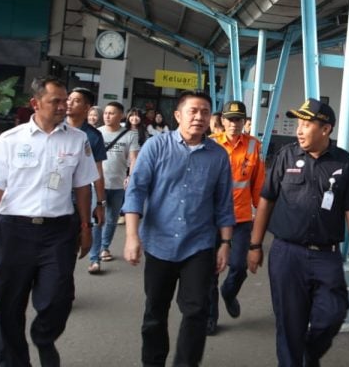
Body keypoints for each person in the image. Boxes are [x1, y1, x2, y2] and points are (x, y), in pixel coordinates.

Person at [0, 76, 98, 367]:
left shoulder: (78, 140)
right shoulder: (10, 141)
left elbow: (83, 187)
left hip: (59, 231)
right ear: (35, 104)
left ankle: (44, 337)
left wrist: (86, 228)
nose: (64, 106)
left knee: (58, 298)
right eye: (56, 101)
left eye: (66, 101)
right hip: (15, 231)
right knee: (9, 306)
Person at [247, 98, 349, 367]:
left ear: (326, 129)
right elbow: (266, 200)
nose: (299, 130)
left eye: (306, 124)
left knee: (334, 313)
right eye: (298, 124)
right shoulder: (286, 156)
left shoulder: (345, 163)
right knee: (290, 324)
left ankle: (308, 355)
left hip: (326, 256)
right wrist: (255, 245)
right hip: (287, 253)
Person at [122, 90, 234, 367]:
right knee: (155, 312)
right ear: (177, 115)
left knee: (197, 311)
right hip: (159, 244)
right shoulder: (156, 147)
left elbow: (223, 203)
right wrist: (131, 236)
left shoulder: (218, 156)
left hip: (199, 245)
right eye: (193, 111)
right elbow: (136, 191)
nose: (199, 117)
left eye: (205, 112)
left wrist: (225, 244)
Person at [206, 100, 265, 335]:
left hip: (240, 218)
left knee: (239, 267)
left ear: (244, 121)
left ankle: (229, 293)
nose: (234, 124)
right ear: (223, 121)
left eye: (238, 119)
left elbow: (259, 186)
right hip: (211, 218)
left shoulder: (254, 146)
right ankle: (211, 316)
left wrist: (261, 217)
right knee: (210, 270)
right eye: (230, 119)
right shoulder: (211, 144)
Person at [66, 88, 108, 274]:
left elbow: (98, 172)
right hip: (50, 196)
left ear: (87, 107)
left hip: (78, 198)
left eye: (76, 100)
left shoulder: (93, 136)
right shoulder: (55, 128)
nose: (69, 103)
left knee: (69, 245)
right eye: (69, 99)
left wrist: (100, 203)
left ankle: (65, 283)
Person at [93, 102, 140, 266]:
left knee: (112, 219)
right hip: (98, 184)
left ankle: (104, 247)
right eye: (105, 113)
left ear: (121, 116)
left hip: (118, 184)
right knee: (98, 218)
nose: (107, 116)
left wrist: (130, 176)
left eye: (112, 113)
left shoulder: (130, 135)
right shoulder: (97, 133)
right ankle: (95, 252)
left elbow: (133, 158)